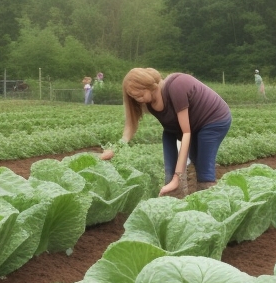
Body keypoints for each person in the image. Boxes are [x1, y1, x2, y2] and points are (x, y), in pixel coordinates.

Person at [99, 68, 232, 197]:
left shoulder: (176, 87)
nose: (138, 100)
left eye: (139, 95)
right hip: (177, 128)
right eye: (134, 97)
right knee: (178, 169)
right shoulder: (148, 100)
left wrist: (177, 177)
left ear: (150, 86)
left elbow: (186, 133)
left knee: (203, 167)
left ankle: (209, 196)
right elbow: (131, 126)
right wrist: (116, 148)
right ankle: (175, 196)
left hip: (213, 120)